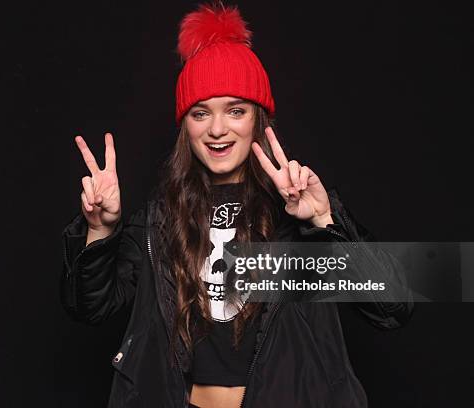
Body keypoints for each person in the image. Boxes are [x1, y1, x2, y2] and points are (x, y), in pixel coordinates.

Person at [61, 2, 413, 407]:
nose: (217, 129)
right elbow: (89, 309)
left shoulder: (298, 211)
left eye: (235, 110)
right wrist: (101, 231)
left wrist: (324, 222)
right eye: (200, 113)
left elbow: (393, 307)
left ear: (256, 120)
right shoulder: (161, 219)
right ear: (185, 127)